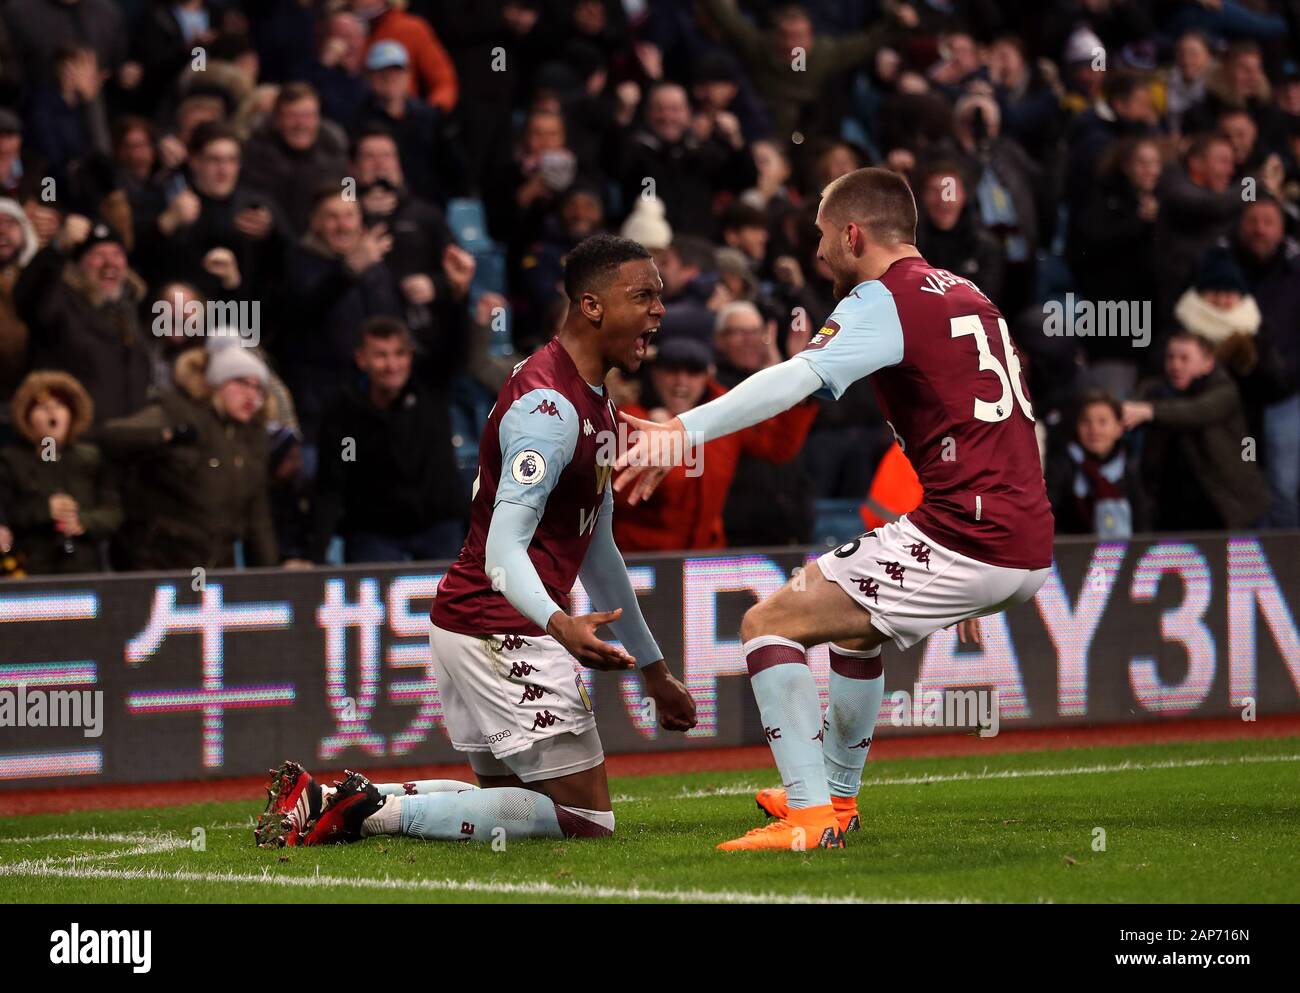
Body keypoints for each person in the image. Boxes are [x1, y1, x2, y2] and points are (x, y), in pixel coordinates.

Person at [616, 168, 1054, 850]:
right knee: (855, 632)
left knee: (769, 624)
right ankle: (839, 796)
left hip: (972, 535)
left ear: (853, 234)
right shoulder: (973, 296)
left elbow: (796, 378)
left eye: (822, 236)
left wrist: (682, 430)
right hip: (1017, 532)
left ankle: (810, 815)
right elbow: (1015, 429)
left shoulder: (884, 298)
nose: (818, 254)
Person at [266, 235, 697, 847]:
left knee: (512, 804)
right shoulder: (549, 410)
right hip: (504, 628)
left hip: (476, 621)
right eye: (644, 296)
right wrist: (558, 624)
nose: (659, 310)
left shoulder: (590, 398)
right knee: (585, 822)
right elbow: (503, 551)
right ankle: (368, 815)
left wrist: (653, 670)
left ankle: (333, 800)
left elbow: (594, 546)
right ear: (593, 306)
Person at [1123, 331, 1269, 532]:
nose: (1175, 365)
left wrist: (1149, 411)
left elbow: (1196, 411)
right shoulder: (1154, 389)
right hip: (1172, 509)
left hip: (1228, 506)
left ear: (1207, 363)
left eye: (1184, 358)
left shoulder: (1224, 390)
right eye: (1170, 357)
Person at [0, 369, 121, 573]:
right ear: (26, 416)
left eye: (59, 406)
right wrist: (45, 510)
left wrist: (83, 521)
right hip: (32, 571)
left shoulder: (91, 457)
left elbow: (113, 512)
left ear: (72, 414)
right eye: (43, 407)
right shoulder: (11, 460)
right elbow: (7, 514)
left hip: (85, 570)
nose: (52, 413)